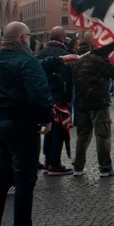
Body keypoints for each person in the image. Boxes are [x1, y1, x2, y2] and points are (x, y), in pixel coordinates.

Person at [0, 21, 55, 226]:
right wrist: (46, 118)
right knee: (25, 180)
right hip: (20, 125)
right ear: (24, 38)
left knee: (2, 178)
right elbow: (38, 95)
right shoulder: (28, 61)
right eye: (29, 36)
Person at [70, 39, 114, 177]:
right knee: (103, 135)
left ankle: (78, 167)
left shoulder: (81, 60)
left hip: (82, 103)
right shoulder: (100, 61)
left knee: (83, 135)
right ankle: (105, 167)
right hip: (98, 102)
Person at [36, 27, 75, 175]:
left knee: (49, 130)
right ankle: (55, 162)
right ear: (63, 37)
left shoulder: (42, 53)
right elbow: (67, 79)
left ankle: (47, 160)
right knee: (60, 131)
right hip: (59, 98)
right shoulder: (65, 54)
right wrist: (68, 98)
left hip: (46, 97)